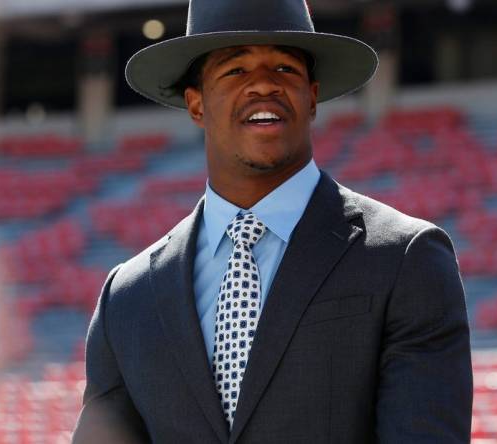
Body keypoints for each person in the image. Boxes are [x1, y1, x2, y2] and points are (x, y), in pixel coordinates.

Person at [72, 0, 473, 442]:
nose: (263, 84)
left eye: (285, 69)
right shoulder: (127, 298)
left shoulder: (404, 258)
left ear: (312, 96)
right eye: (235, 70)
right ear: (196, 104)